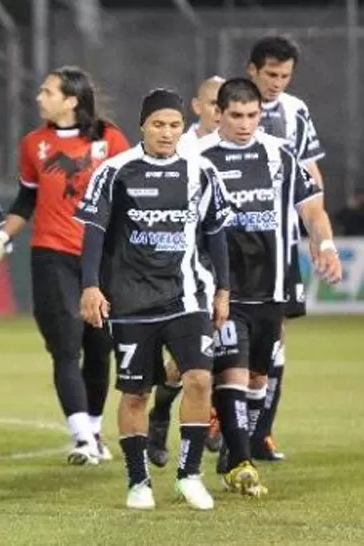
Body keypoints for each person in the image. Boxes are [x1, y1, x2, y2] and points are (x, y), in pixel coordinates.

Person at [76, 88, 234, 510]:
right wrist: (90, 285)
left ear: (184, 128)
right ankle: (138, 481)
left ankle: (189, 474)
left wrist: (223, 289)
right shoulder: (115, 171)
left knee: (199, 378)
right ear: (142, 126)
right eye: (159, 124)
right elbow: (92, 232)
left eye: (175, 125)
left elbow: (216, 233)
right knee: (135, 394)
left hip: (187, 295)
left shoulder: (201, 172)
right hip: (131, 300)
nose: (167, 132)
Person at [198, 78, 341, 495]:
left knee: (259, 377)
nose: (245, 124)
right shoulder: (199, 158)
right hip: (224, 287)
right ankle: (240, 462)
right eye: (237, 116)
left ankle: (231, 441)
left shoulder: (280, 155)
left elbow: (311, 208)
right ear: (218, 114)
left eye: (253, 116)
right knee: (233, 371)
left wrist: (326, 245)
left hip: (274, 284)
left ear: (262, 115)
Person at [0, 66, 127, 464]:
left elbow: (124, 198)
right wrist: (2, 238)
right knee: (66, 347)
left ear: (71, 100)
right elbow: (26, 201)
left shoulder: (110, 139)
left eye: (47, 91)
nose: (39, 97)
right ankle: (82, 437)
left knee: (100, 347)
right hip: (51, 254)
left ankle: (96, 428)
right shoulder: (34, 143)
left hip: (100, 256)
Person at [246, 35, 325, 461]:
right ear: (252, 70)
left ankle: (261, 432)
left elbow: (312, 174)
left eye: (285, 76)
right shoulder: (229, 105)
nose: (277, 83)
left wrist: (317, 234)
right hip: (229, 243)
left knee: (274, 335)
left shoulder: (296, 112)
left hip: (278, 244)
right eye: (271, 74)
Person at [149, 74, 227, 467]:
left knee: (228, 357)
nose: (219, 110)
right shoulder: (179, 146)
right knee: (187, 361)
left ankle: (218, 428)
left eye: (224, 103)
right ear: (197, 106)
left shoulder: (248, 145)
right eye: (213, 103)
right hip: (182, 270)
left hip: (230, 262)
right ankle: (163, 413)